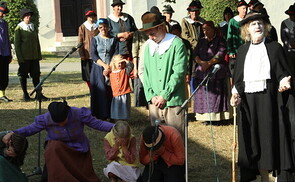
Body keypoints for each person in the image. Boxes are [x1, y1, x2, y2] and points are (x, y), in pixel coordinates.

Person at [230, 12, 292, 182]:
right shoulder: (242, 51)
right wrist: (235, 95)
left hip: (269, 99)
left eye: (260, 23)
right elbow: (239, 79)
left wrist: (284, 81)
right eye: (253, 24)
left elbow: (283, 72)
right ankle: (256, 174)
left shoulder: (275, 48)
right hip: (248, 103)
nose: (257, 26)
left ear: (265, 27)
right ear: (247, 30)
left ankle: (272, 174)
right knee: (251, 137)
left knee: (269, 135)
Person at [7, 100, 114, 181]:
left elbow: (98, 124)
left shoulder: (78, 113)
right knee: (53, 147)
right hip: (58, 148)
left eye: (63, 121)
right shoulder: (45, 119)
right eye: (57, 122)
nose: (61, 124)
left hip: (78, 146)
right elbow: (30, 129)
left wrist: (115, 127)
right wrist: (12, 132)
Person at [141, 12, 187, 137]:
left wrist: (165, 95)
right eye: (147, 34)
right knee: (157, 142)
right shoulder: (148, 47)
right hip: (155, 102)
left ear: (161, 28)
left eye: (152, 34)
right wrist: (151, 96)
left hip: (173, 102)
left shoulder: (177, 44)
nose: (150, 37)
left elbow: (179, 72)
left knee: (176, 141)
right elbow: (146, 74)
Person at [193, 21, 231, 125]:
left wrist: (209, 63)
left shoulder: (220, 40)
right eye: (204, 30)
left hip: (216, 70)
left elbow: (221, 54)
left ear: (213, 29)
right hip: (202, 70)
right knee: (203, 94)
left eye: (208, 29)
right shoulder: (201, 41)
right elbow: (195, 54)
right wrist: (202, 63)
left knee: (216, 95)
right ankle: (206, 117)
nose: (205, 32)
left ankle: (218, 117)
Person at [14, 8, 48, 101]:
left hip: (34, 57)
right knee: (23, 75)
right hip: (25, 57)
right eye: (26, 15)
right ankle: (25, 94)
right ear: (23, 17)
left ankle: (38, 94)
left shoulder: (33, 27)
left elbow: (37, 42)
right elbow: (17, 45)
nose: (29, 17)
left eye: (29, 15)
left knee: (36, 75)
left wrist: (38, 54)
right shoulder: (19, 28)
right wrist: (20, 58)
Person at [90, 18, 118, 120]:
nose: (103, 29)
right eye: (101, 27)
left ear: (108, 27)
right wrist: (104, 65)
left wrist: (110, 66)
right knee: (100, 91)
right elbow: (93, 54)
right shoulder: (95, 39)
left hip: (111, 67)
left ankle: (111, 114)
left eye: (105, 27)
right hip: (98, 68)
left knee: (110, 91)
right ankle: (100, 115)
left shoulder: (113, 39)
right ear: (98, 28)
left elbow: (116, 53)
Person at [78, 9, 99, 90]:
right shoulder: (83, 27)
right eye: (89, 16)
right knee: (88, 75)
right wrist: (82, 54)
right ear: (87, 17)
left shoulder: (97, 26)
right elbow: (80, 41)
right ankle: (91, 88)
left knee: (96, 73)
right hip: (87, 54)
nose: (91, 18)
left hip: (96, 54)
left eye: (92, 16)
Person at [109, 55, 133, 120]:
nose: (120, 64)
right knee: (117, 107)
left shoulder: (125, 71)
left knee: (124, 107)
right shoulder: (111, 73)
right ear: (114, 63)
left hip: (124, 92)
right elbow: (108, 82)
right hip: (116, 94)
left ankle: (124, 119)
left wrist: (125, 60)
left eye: (121, 63)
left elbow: (131, 66)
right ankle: (117, 119)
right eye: (118, 63)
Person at [227, 0, 248, 75]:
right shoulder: (233, 21)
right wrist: (231, 50)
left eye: (246, 8)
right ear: (238, 9)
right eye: (243, 8)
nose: (245, 11)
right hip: (236, 51)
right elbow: (230, 36)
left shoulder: (248, 20)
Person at [132, 27, 148, 107]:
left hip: (151, 61)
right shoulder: (138, 33)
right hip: (141, 60)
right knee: (140, 85)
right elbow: (135, 51)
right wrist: (135, 67)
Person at [0, 1, 12, 102]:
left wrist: (10, 53)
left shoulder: (4, 23)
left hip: (5, 53)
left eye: (4, 13)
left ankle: (2, 94)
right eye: (2, 12)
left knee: (4, 74)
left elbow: (7, 38)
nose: (3, 15)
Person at [281, 3, 295, 77]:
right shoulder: (285, 23)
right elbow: (283, 37)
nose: (292, 17)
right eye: (291, 15)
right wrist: (290, 44)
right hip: (289, 52)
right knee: (291, 71)